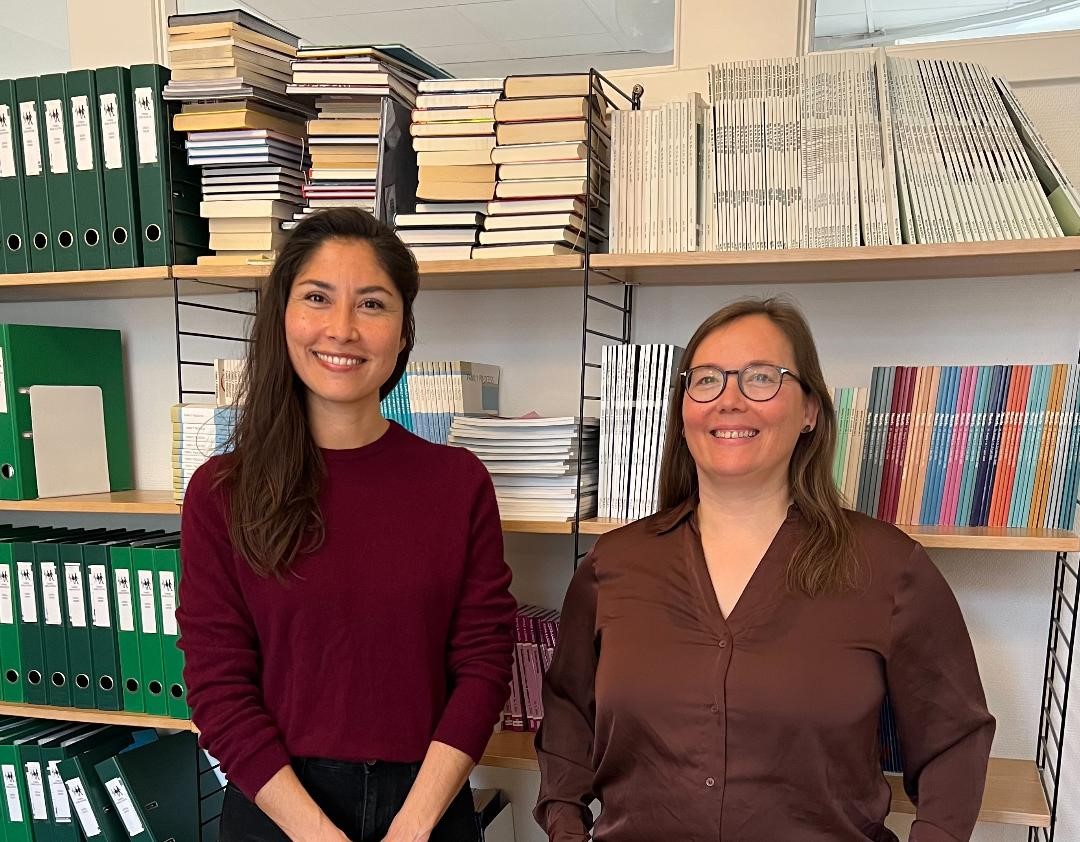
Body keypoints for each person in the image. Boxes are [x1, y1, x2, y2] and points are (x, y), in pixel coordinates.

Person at [534, 297, 995, 841]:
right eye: (706, 380)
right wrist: (565, 827)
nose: (729, 400)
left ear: (810, 411)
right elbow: (568, 716)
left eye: (761, 378)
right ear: (683, 413)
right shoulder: (613, 565)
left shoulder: (889, 569)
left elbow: (954, 740)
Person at [178, 208, 516, 842]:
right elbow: (218, 687)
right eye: (317, 298)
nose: (342, 329)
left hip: (428, 803)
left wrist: (414, 826)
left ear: (403, 331)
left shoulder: (457, 482)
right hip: (279, 809)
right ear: (282, 317)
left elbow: (483, 664)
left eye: (372, 304)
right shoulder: (220, 494)